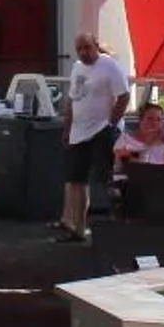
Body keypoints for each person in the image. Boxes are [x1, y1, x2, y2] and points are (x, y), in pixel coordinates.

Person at [58, 32, 130, 243]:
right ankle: (77, 228)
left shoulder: (109, 66)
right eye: (79, 49)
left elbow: (124, 96)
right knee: (76, 180)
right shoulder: (77, 68)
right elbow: (72, 100)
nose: (83, 53)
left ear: (96, 46)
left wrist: (111, 124)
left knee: (107, 178)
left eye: (87, 48)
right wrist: (67, 128)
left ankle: (120, 224)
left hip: (101, 129)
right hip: (78, 132)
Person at [112, 104, 164, 168]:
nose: (154, 123)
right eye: (150, 119)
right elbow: (121, 163)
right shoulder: (125, 139)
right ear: (141, 120)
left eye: (158, 120)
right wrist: (148, 145)